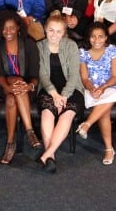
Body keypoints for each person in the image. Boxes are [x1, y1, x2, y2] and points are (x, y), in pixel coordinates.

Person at [0, 11, 41, 164]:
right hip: (3, 87)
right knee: (14, 82)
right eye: (4, 28)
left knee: (12, 99)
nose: (8, 32)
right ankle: (30, 131)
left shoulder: (29, 44)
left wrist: (29, 85)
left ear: (18, 27)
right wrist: (7, 87)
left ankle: (10, 143)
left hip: (26, 89)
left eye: (11, 28)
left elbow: (35, 75)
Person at [35, 15, 83, 173]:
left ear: (64, 32)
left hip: (71, 89)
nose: (54, 35)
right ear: (45, 29)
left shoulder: (71, 46)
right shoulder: (39, 46)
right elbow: (42, 75)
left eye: (58, 31)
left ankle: (47, 154)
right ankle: (51, 157)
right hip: (49, 89)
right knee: (47, 113)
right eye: (51, 30)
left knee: (67, 114)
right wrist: (54, 95)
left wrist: (63, 95)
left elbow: (75, 75)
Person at [78, 23, 116, 166]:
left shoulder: (113, 51)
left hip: (111, 86)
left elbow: (115, 76)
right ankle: (109, 149)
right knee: (104, 109)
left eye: (100, 36)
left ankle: (87, 124)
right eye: (93, 37)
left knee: (109, 98)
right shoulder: (83, 52)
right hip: (91, 88)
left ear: (106, 37)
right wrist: (92, 88)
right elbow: (84, 78)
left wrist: (103, 88)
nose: (96, 40)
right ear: (88, 38)